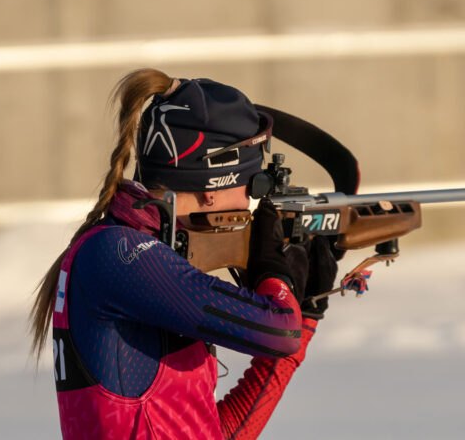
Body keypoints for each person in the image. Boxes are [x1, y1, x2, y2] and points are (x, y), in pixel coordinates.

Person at [29, 68, 337, 439]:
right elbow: (276, 331)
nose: (250, 200)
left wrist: (305, 314)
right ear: (212, 186)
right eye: (253, 183)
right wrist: (273, 271)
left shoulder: (133, 254)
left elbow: (213, 432)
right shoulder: (118, 252)